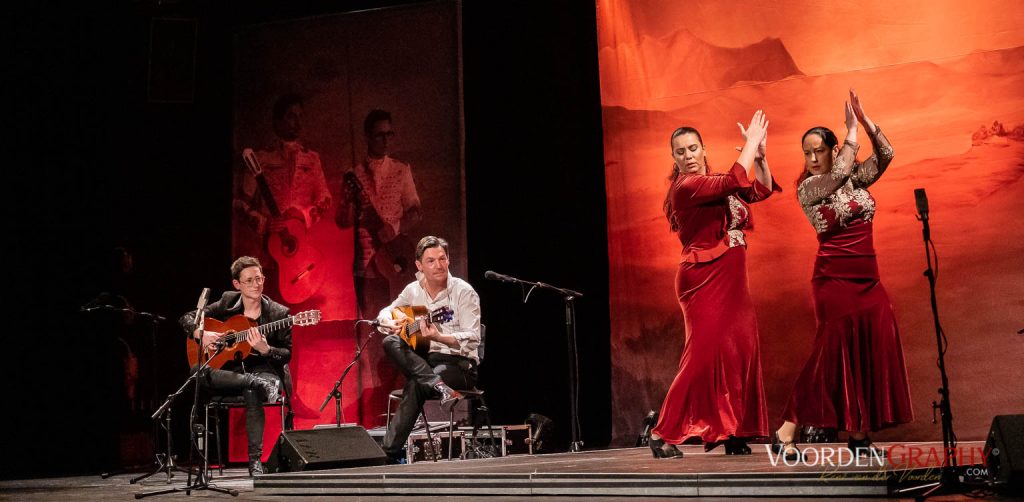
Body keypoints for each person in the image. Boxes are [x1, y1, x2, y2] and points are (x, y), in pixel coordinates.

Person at [773, 90, 913, 461]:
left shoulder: (856, 180)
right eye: (807, 151)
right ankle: (787, 427)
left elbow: (887, 156)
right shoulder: (810, 188)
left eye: (819, 149)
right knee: (831, 353)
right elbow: (836, 179)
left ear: (833, 151)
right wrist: (849, 133)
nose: (813, 158)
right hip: (833, 282)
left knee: (869, 348)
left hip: (869, 280)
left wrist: (865, 123)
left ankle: (859, 435)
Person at [649, 110, 779, 459]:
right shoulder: (687, 187)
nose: (688, 156)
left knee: (738, 353)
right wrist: (750, 142)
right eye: (681, 152)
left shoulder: (717, 181)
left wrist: (761, 156)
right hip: (702, 280)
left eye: (693, 148)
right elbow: (733, 179)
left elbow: (759, 189)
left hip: (734, 281)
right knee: (702, 358)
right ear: (674, 159)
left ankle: (731, 431)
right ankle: (662, 432)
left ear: (704, 149)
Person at [179, 256, 289, 476]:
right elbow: (187, 317)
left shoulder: (279, 313)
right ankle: (252, 382)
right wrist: (201, 333)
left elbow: (286, 355)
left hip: (263, 371)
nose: (256, 284)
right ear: (237, 284)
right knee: (196, 370)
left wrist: (266, 349)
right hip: (231, 373)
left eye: (259, 278)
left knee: (252, 391)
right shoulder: (227, 302)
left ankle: (255, 462)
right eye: (249, 280)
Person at [375, 236, 480, 463]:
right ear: (419, 265)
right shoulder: (413, 291)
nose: (439, 265)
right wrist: (389, 321)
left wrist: (440, 336)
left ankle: (387, 455)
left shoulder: (464, 292)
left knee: (416, 384)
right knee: (390, 341)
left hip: (458, 365)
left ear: (449, 260)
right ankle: (438, 385)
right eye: (431, 261)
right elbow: (385, 313)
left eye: (442, 259)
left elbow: (473, 339)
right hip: (427, 362)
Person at [234, 93, 332, 300]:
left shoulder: (312, 159)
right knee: (271, 315)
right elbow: (240, 203)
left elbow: (325, 199)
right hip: (268, 254)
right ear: (277, 121)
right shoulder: (261, 158)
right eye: (290, 116)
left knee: (304, 318)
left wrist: (302, 215)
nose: (297, 122)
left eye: (300, 116)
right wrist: (264, 224)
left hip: (304, 253)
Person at [336, 109, 422, 319]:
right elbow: (342, 222)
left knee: (407, 320)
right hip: (366, 265)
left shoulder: (401, 169)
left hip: (397, 261)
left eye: (389, 134)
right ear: (367, 137)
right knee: (372, 326)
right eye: (379, 135)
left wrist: (393, 229)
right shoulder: (353, 174)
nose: (385, 140)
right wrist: (348, 202)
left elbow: (416, 212)